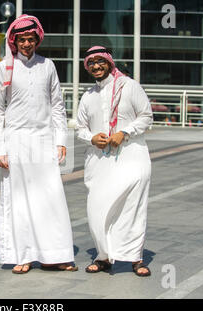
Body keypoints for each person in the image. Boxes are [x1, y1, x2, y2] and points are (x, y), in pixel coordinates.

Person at [0, 15, 77, 274]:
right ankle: (23, 255)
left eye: (31, 39)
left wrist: (61, 140)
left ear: (37, 39)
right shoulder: (3, 67)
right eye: (22, 39)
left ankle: (55, 255)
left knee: (50, 197)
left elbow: (58, 106)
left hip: (43, 139)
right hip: (15, 140)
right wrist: (0, 149)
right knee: (19, 199)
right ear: (14, 40)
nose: (27, 43)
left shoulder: (47, 65)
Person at [76, 46, 153, 277]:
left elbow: (146, 116)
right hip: (99, 161)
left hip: (132, 156)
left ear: (110, 62)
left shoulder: (130, 86)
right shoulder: (88, 95)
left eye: (100, 61)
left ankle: (135, 258)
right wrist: (91, 137)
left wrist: (124, 132)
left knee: (132, 207)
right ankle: (103, 257)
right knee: (97, 209)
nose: (96, 66)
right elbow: (80, 127)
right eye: (91, 63)